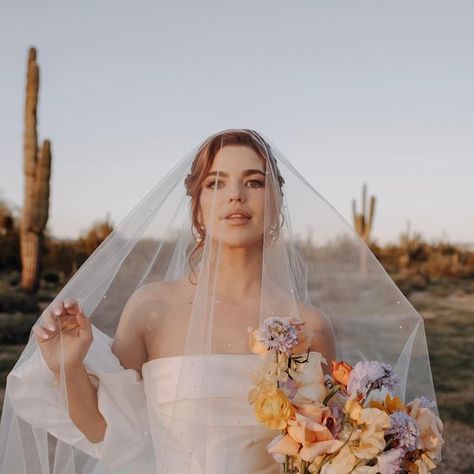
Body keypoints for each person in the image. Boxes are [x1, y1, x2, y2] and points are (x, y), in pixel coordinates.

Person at [0, 129, 438, 474]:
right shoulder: (152, 307)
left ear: (276, 204)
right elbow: (107, 432)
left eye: (253, 181)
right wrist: (70, 366)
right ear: (197, 207)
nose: (235, 195)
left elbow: (319, 452)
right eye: (216, 182)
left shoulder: (310, 325)